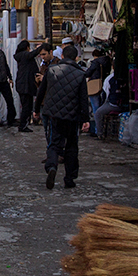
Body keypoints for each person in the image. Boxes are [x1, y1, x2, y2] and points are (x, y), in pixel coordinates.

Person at [39, 45, 90, 190]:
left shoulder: (51, 70)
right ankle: (70, 178)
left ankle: (52, 167)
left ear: (62, 56)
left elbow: (42, 92)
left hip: (54, 115)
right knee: (72, 147)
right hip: (73, 117)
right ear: (76, 58)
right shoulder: (80, 74)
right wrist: (85, 119)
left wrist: (36, 110)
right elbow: (83, 99)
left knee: (54, 143)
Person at [14, 41, 49, 133]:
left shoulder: (21, 57)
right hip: (26, 85)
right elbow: (32, 54)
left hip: (23, 85)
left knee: (26, 106)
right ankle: (23, 125)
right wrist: (41, 47)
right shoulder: (24, 55)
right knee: (27, 106)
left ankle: (24, 124)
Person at [85, 47, 113, 134]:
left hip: (95, 86)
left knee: (95, 109)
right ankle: (103, 129)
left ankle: (97, 131)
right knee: (101, 107)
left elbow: (88, 73)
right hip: (104, 86)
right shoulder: (108, 61)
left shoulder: (95, 62)